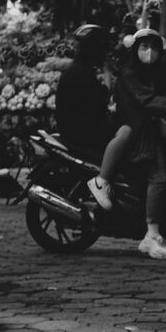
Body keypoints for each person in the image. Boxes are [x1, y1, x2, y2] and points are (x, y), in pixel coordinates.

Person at [112, 27, 166, 261]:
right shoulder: (129, 74)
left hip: (155, 134)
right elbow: (147, 100)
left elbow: (165, 101)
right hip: (139, 135)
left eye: (154, 48)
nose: (149, 52)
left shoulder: (156, 73)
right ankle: (151, 235)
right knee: (159, 177)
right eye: (144, 47)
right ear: (135, 49)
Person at [54, 24, 131, 214]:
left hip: (76, 125)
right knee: (126, 131)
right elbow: (102, 98)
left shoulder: (79, 69)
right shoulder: (80, 72)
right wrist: (107, 73)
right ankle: (102, 181)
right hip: (79, 128)